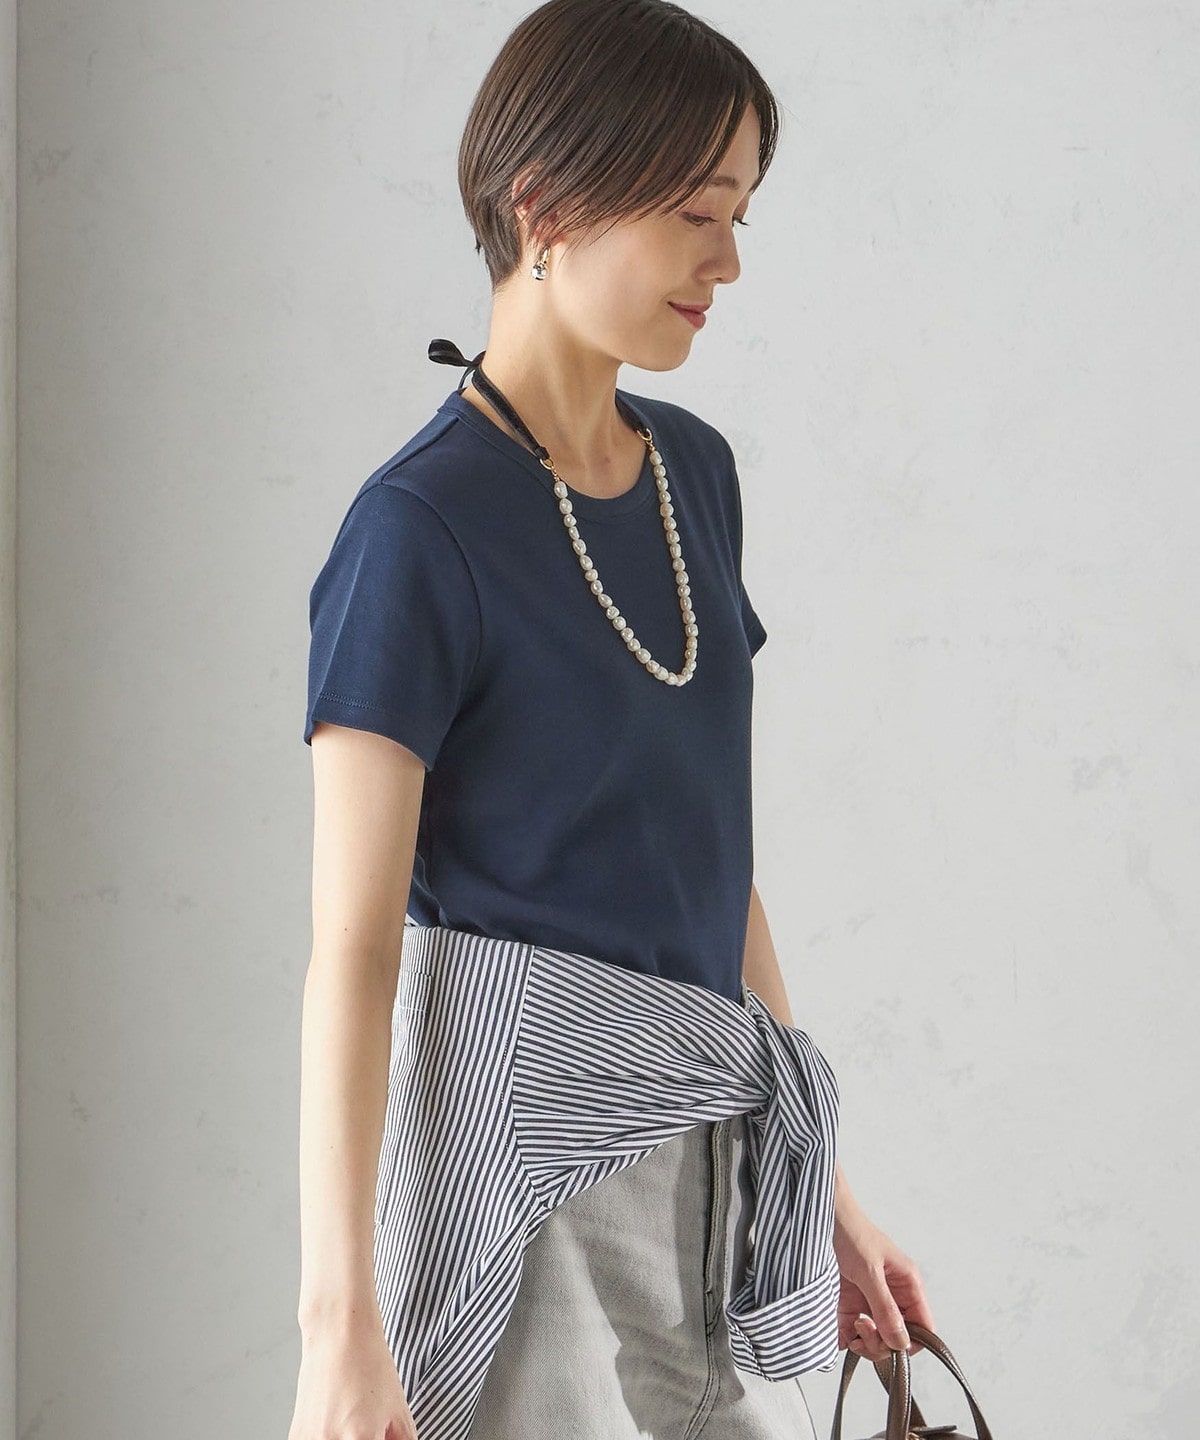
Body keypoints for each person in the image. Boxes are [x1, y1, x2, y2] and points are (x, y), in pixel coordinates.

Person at [288, 1, 936, 1437]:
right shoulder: (415, 531)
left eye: (741, 215)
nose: (731, 261)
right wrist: (339, 1327)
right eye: (698, 213)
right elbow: (354, 949)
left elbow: (710, 859)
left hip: (715, 1162)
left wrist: (823, 1187)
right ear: (546, 205)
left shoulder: (695, 475)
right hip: (526, 1183)